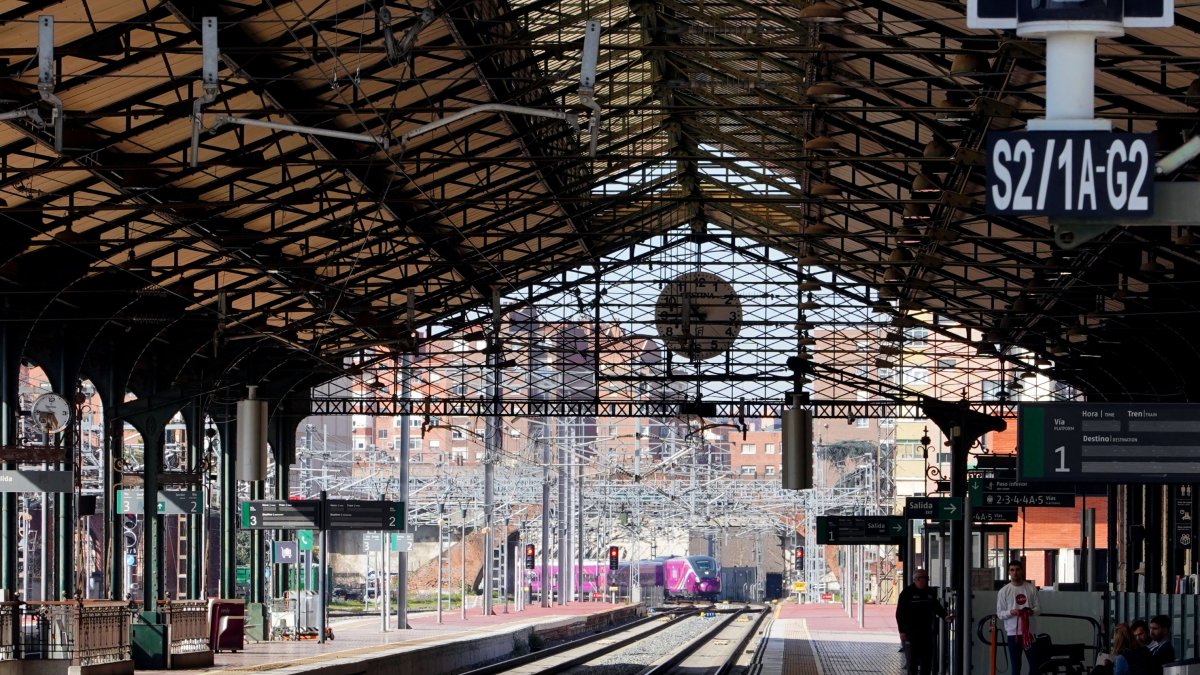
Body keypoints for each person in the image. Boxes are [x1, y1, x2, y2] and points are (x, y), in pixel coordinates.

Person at [896, 569, 952, 675]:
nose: (927, 581)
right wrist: (902, 631)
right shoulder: (907, 593)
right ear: (917, 579)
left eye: (927, 578)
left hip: (926, 632)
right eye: (925, 578)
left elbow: (936, 606)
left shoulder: (929, 592)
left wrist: (945, 616)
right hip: (911, 632)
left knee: (926, 661)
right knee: (912, 661)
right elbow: (899, 614)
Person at [997, 560, 1041, 675]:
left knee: (1035, 665)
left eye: (1017, 570)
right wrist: (1011, 612)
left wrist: (1031, 611)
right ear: (1009, 572)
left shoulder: (1031, 588)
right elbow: (1000, 613)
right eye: (1012, 570)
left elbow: (1038, 609)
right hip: (1013, 635)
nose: (1015, 573)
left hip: (1029, 633)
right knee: (1016, 667)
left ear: (1022, 571)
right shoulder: (1004, 591)